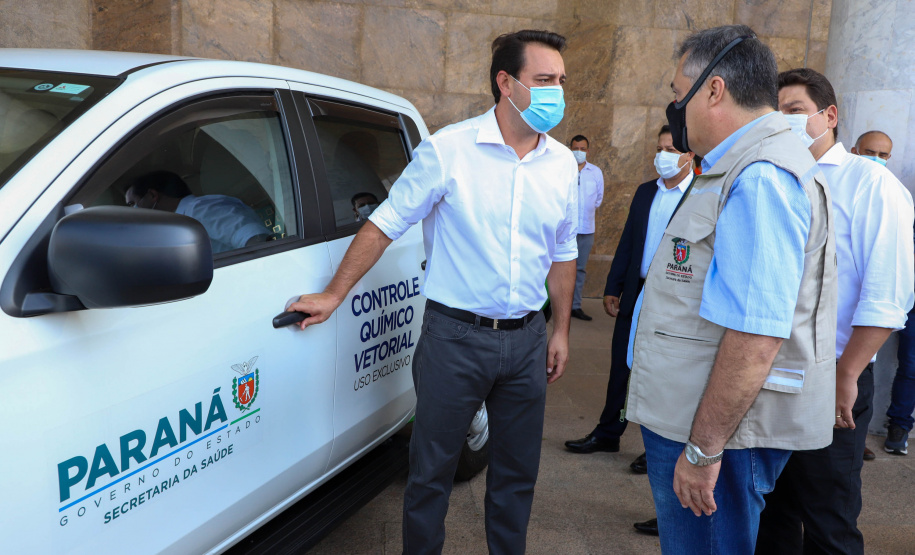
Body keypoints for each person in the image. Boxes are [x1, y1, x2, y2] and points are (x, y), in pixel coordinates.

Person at [283, 30, 578, 555]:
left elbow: (562, 253)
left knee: (516, 477)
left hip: (527, 342)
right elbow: (385, 223)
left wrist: (559, 330)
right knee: (430, 474)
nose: (557, 91)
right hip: (454, 340)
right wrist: (334, 294)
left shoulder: (560, 165)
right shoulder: (448, 151)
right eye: (544, 80)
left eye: (560, 80)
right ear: (505, 83)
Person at [625, 26, 836, 553]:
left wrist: (702, 451)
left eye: (679, 94)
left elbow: (756, 331)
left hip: (719, 435)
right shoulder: (739, 164)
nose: (675, 107)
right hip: (704, 419)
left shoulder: (761, 175)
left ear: (713, 90)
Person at [755, 69, 915, 555]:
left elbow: (888, 292)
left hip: (830, 376)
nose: (784, 121)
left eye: (795, 110)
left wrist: (847, 372)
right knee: (771, 513)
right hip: (764, 370)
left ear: (829, 116)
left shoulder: (870, 183)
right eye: (776, 112)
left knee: (828, 516)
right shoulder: (775, 176)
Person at [566, 125, 694, 462]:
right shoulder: (644, 192)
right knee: (622, 364)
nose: (662, 156)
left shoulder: (698, 197)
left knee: (664, 374)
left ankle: (656, 449)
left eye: (670, 149)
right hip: (635, 292)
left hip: (673, 297)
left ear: (689, 155)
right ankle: (608, 432)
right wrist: (613, 286)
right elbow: (627, 243)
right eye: (659, 148)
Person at [124, 171, 268, 254]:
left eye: (132, 204)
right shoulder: (177, 223)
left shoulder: (200, 209)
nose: (132, 211)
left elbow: (254, 238)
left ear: (152, 195)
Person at [569, 134, 604, 321]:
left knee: (580, 269)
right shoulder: (564, 170)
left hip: (586, 229)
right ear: (570, 149)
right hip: (566, 229)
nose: (579, 152)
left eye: (582, 149)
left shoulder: (595, 172)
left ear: (588, 151)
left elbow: (598, 199)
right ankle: (553, 305)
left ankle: (575, 306)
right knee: (559, 266)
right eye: (576, 148)